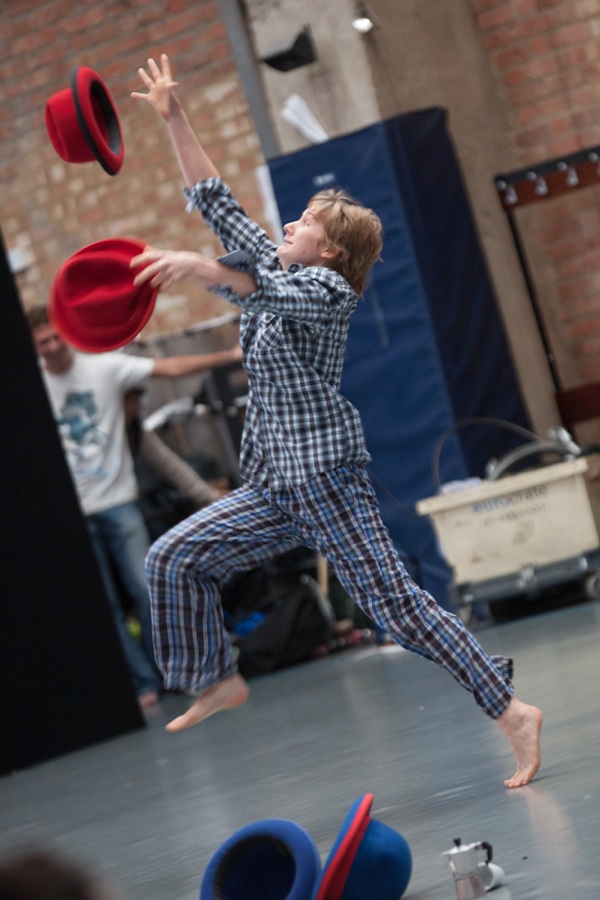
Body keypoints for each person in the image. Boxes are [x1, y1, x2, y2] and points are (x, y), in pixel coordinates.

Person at [130, 54, 542, 787]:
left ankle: (511, 710)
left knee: (398, 611)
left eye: (304, 223)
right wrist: (173, 115)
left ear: (330, 250)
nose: (287, 224)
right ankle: (216, 677)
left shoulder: (326, 292)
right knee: (173, 557)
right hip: (274, 488)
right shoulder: (280, 268)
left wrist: (200, 267)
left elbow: (259, 290)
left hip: (325, 482)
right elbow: (215, 200)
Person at [27, 303, 241, 710]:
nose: (53, 346)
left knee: (145, 586)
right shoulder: (34, 386)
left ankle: (169, 671)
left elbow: (170, 371)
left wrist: (229, 356)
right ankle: (143, 682)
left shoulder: (105, 371)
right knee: (102, 603)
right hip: (74, 513)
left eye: (56, 337)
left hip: (118, 502)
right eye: (43, 342)